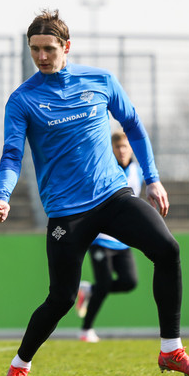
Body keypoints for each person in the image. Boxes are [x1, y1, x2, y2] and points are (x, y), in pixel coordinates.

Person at [0, 9, 189, 376]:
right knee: (61, 298)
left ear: (66, 47)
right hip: (67, 212)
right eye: (34, 49)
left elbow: (134, 126)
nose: (41, 56)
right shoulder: (23, 99)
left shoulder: (100, 81)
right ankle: (19, 366)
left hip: (113, 195)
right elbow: (12, 154)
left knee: (167, 250)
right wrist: (3, 196)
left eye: (48, 48)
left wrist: (153, 179)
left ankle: (171, 350)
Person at [76, 131, 142, 343]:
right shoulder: (105, 168)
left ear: (130, 149)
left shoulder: (137, 171)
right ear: (111, 150)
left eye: (125, 147)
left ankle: (89, 290)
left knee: (129, 282)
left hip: (122, 239)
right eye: (117, 147)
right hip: (101, 238)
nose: (122, 151)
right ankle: (86, 330)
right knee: (104, 284)